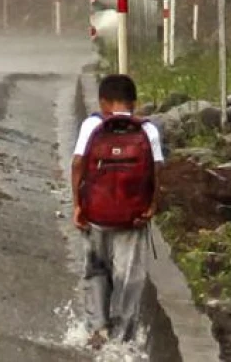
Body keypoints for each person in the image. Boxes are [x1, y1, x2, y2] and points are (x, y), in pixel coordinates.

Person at [70, 74, 164, 350]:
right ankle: (123, 339)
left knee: (97, 269)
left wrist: (78, 204)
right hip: (132, 217)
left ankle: (97, 329)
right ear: (135, 103)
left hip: (96, 214)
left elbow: (77, 163)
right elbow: (157, 169)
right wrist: (152, 204)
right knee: (129, 276)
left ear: (103, 102)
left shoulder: (92, 125)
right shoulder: (148, 130)